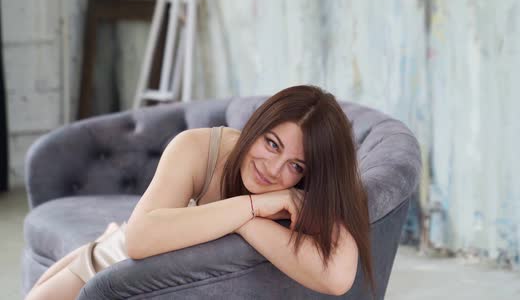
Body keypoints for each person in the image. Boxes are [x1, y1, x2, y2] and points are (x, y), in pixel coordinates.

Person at [25, 84, 376, 299]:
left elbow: (337, 277)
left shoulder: (304, 194)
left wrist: (246, 220)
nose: (273, 169)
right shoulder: (199, 148)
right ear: (257, 126)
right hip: (109, 264)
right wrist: (250, 207)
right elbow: (138, 240)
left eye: (296, 165)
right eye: (272, 143)